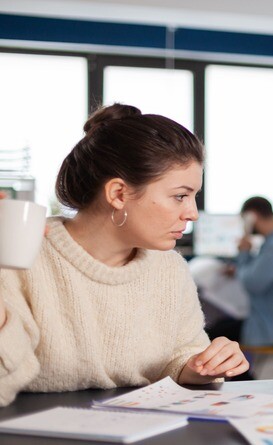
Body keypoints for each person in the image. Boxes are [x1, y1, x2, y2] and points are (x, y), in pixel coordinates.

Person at [0, 104, 249, 407]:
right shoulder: (20, 256)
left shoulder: (169, 267)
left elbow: (179, 357)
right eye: (180, 196)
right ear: (118, 194)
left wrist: (203, 365)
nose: (193, 213)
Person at [208, 196, 273, 347]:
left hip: (271, 328)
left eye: (244, 220)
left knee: (211, 334)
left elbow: (251, 284)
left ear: (252, 217)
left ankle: (242, 372)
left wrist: (244, 253)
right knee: (224, 325)